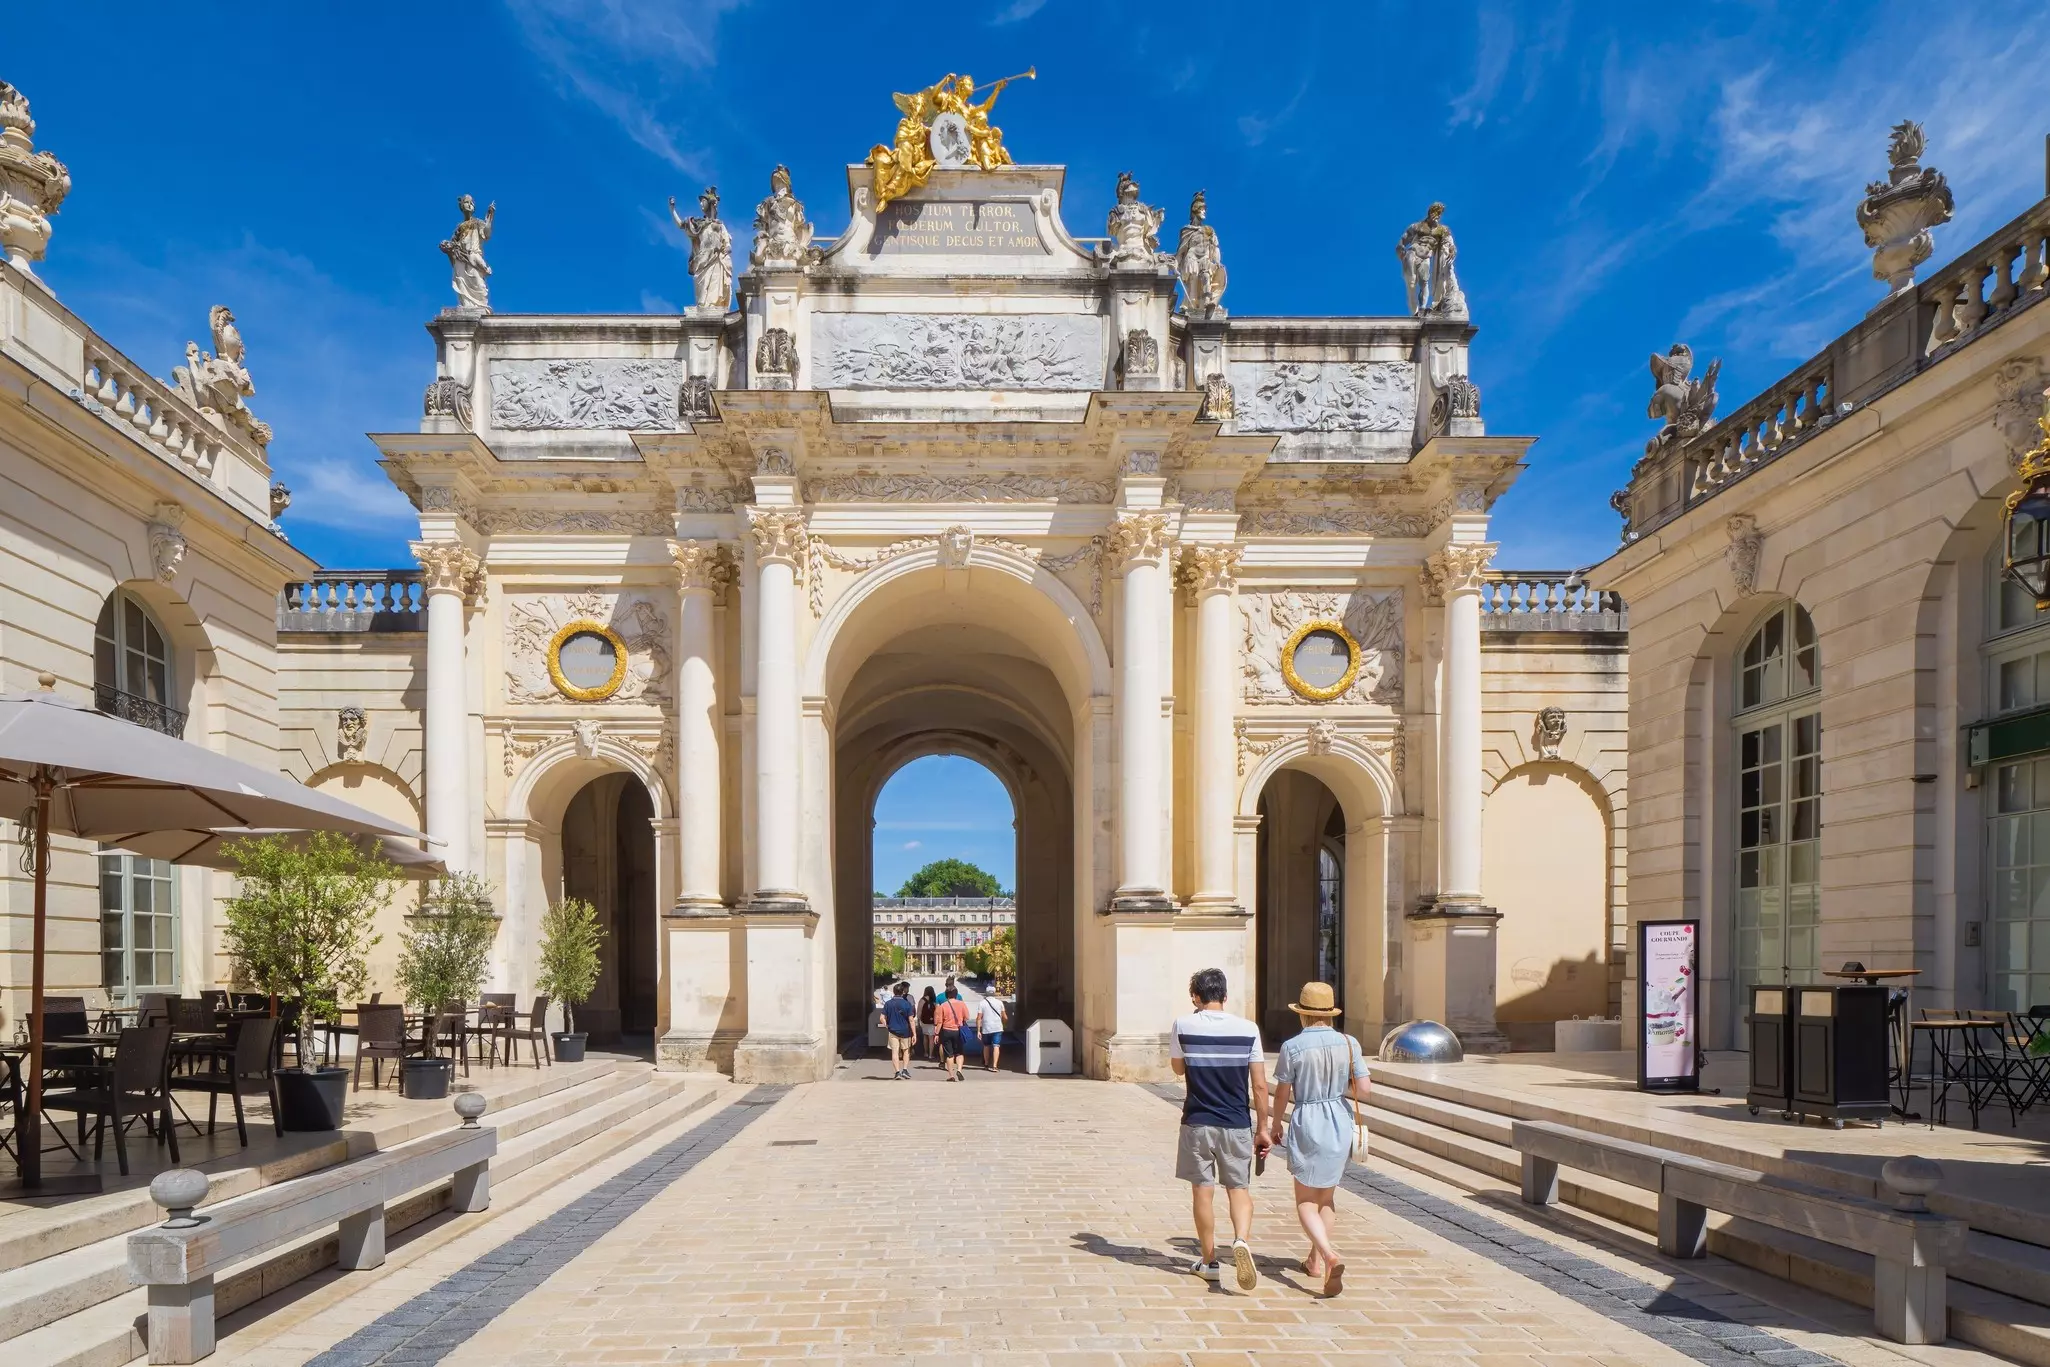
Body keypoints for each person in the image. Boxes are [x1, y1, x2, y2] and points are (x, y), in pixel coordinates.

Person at [1266, 981, 1371, 1298]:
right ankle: (1314, 1262)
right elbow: (1364, 1090)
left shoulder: (1292, 1047)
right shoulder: (1349, 1043)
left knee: (1305, 1201)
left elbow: (1283, 1091)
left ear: (1303, 1015)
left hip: (1308, 1119)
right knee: (1326, 1198)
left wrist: (1274, 1123)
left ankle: (1327, 1254)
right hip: (1339, 1119)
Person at [1168, 967, 1268, 1291]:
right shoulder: (1248, 1029)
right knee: (1239, 1189)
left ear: (1196, 996)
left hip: (1198, 1119)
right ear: (1225, 996)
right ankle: (1240, 1240)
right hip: (1237, 1121)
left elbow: (1177, 1068)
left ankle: (1209, 1260)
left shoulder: (1183, 1024)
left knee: (1202, 1190)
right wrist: (1263, 1127)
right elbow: (1261, 1085)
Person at [880, 981, 917, 1080]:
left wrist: (886, 1025)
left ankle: (897, 1072)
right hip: (905, 1031)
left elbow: (882, 1017)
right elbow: (911, 1019)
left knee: (895, 1052)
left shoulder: (888, 1004)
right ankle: (904, 1069)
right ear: (902, 992)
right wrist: (914, 1034)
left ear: (894, 992)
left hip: (893, 1031)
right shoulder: (907, 1004)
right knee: (906, 1051)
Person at [934, 987, 972, 1082]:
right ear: (956, 994)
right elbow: (967, 1017)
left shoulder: (943, 1005)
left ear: (946, 995)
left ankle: (951, 1075)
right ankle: (959, 1070)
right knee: (959, 1052)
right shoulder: (961, 1004)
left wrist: (937, 1034)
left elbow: (940, 1022)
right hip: (958, 1030)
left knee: (949, 1054)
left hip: (946, 1031)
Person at [977, 991, 1007, 1072]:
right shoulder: (999, 1002)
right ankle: (994, 1066)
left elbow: (979, 1018)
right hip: (997, 1028)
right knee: (996, 1046)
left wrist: (978, 1031)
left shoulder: (982, 1003)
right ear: (994, 993)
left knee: (986, 1046)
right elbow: (1005, 1017)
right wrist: (1004, 1022)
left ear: (986, 993)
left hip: (986, 1028)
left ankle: (986, 1064)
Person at [918, 985, 939, 1063]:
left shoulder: (922, 1000)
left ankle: (925, 1053)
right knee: (931, 1038)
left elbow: (919, 1012)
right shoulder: (934, 1000)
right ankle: (931, 1054)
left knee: (925, 1037)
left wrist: (919, 1020)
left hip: (924, 1021)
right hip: (932, 1022)